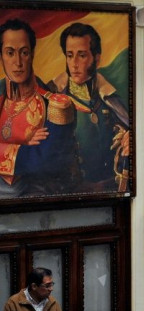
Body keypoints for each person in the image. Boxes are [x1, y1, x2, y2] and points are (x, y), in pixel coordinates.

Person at [0, 18, 79, 198]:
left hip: (34, 202)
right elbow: (32, 156)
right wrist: (25, 144)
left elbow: (43, 162)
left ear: (33, 54)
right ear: (1, 56)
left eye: (24, 52)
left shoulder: (57, 105)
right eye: (10, 53)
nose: (18, 62)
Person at [48, 22, 130, 192]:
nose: (74, 63)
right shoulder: (52, 97)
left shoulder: (110, 99)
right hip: (70, 193)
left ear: (97, 59)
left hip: (111, 190)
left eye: (82, 55)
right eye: (70, 55)